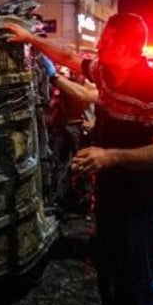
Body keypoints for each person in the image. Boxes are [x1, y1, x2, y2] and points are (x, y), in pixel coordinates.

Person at [5, 13, 153, 305]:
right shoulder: (105, 73)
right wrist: (30, 39)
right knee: (109, 284)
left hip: (140, 205)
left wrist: (110, 156)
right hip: (110, 200)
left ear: (128, 47)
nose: (99, 45)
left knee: (138, 293)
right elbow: (69, 57)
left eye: (108, 40)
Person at [39, 54, 98, 213]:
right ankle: (68, 197)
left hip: (75, 128)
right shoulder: (73, 84)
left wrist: (54, 76)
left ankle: (81, 197)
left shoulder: (84, 85)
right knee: (64, 163)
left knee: (77, 164)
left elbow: (83, 94)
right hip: (66, 127)